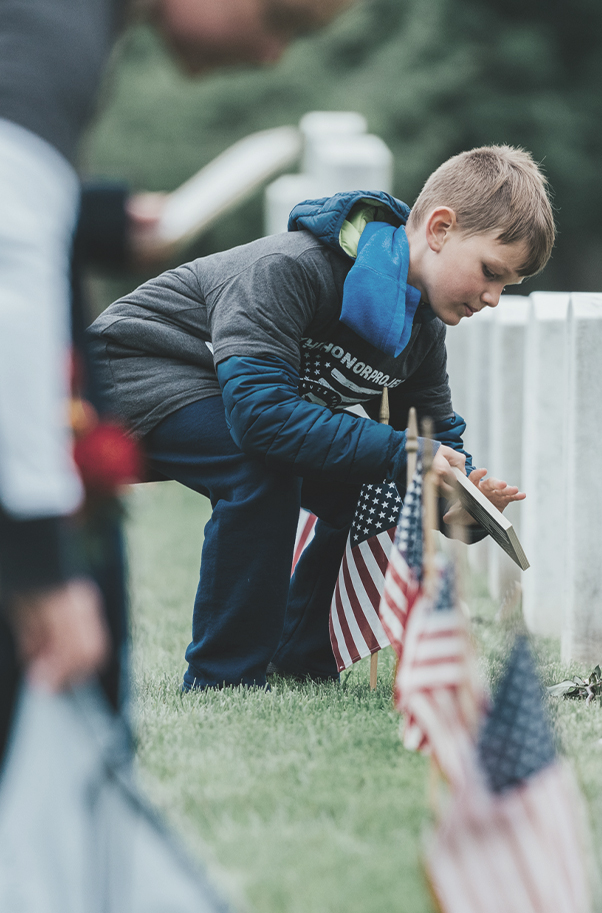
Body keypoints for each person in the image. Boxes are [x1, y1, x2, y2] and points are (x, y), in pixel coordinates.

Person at [0, 0, 354, 766]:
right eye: (281, 21)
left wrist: (94, 221)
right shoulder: (51, 30)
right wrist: (36, 558)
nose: (271, 57)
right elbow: (10, 286)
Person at [88, 145, 555, 689]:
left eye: (507, 286)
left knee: (372, 479)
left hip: (217, 398)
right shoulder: (292, 269)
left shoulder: (420, 328)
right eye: (491, 272)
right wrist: (409, 456)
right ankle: (225, 678)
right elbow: (261, 418)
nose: (494, 298)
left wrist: (468, 497)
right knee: (260, 465)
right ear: (440, 228)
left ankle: (302, 658)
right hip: (128, 375)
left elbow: (431, 438)